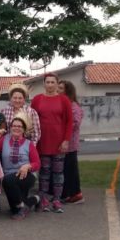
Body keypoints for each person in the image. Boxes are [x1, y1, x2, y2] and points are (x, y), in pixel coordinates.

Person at [30, 73, 73, 213]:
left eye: (52, 82)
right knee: (44, 172)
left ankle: (56, 200)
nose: (49, 85)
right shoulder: (37, 99)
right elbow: (31, 120)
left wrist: (66, 140)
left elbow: (69, 122)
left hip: (59, 143)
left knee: (58, 173)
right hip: (42, 142)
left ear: (57, 83)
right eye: (47, 82)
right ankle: (43, 199)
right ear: (44, 84)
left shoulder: (64, 100)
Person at [0, 114, 41, 220]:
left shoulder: (29, 144)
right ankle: (35, 199)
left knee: (7, 181)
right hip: (10, 175)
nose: (16, 128)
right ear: (10, 128)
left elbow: (37, 163)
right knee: (15, 209)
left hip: (26, 175)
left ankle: (22, 206)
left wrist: (27, 166)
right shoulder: (4, 139)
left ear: (24, 129)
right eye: (14, 125)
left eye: (19, 126)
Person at [58, 80, 85, 204]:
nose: (58, 90)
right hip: (62, 143)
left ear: (67, 91)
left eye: (61, 88)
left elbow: (75, 124)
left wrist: (59, 128)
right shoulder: (64, 104)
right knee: (64, 169)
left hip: (70, 144)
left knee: (71, 170)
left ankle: (76, 194)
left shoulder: (73, 106)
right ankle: (67, 193)